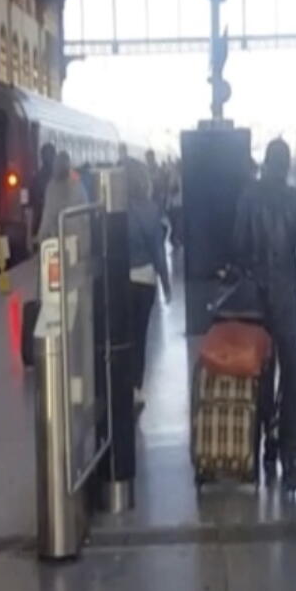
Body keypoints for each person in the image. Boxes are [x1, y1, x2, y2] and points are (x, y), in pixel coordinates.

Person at [232, 138, 296, 477]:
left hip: (255, 297)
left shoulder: (248, 196)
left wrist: (248, 270)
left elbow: (238, 244)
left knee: (259, 369)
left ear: (265, 162)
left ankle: (263, 438)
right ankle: (283, 439)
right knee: (289, 366)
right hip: (287, 295)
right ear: (286, 165)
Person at [125, 158, 172, 409]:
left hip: (120, 281)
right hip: (144, 281)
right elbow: (158, 250)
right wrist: (166, 283)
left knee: (123, 336)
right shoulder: (151, 210)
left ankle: (119, 386)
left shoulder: (113, 209)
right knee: (140, 336)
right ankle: (135, 387)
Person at [36, 150, 87, 241]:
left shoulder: (52, 186)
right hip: (79, 236)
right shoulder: (76, 182)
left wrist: (41, 236)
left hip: (60, 236)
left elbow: (48, 214)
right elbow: (85, 212)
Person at [29, 143, 56, 243]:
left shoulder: (37, 178)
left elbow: (33, 202)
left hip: (41, 221)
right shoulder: (59, 178)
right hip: (53, 222)